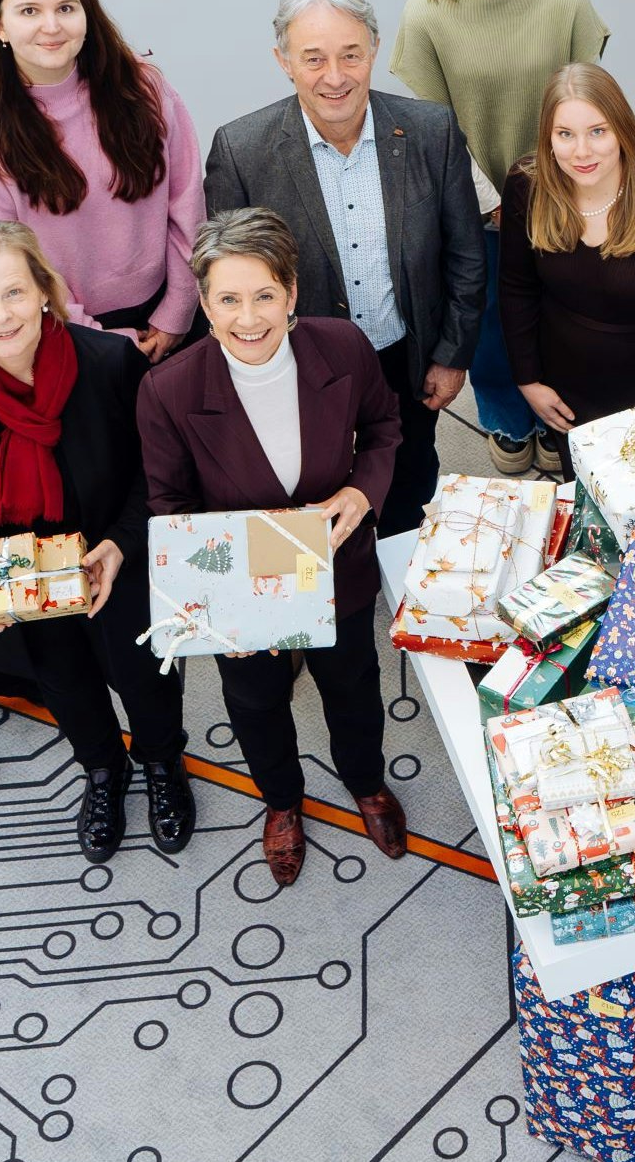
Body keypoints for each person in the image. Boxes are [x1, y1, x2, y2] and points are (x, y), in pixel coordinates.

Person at [137, 208, 408, 887]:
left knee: (353, 685)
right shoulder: (167, 391)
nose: (247, 317)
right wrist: (210, 608)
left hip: (334, 561)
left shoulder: (342, 347)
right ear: (202, 301)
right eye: (227, 298)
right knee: (255, 703)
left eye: (263, 295)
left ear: (291, 293)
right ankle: (282, 801)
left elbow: (383, 427)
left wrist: (363, 492)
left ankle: (366, 780)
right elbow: (169, 508)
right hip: (238, 591)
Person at [0, 223, 188, 863]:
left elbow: (159, 470)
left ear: (44, 291)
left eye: (13, 292)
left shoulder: (111, 363)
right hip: (20, 573)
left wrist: (119, 544)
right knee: (64, 682)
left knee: (146, 677)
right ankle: (102, 770)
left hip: (114, 557)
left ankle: (163, 762)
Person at [202, 0, 486, 534]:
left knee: (408, 480)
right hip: (298, 370)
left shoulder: (431, 131)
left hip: (406, 361)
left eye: (351, 55)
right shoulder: (241, 151)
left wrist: (452, 355)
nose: (335, 77)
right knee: (318, 499)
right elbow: (224, 281)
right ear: (283, 61)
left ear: (374, 49)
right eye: (313, 59)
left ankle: (401, 565)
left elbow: (466, 257)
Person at [390, 0, 610, 476]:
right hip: (476, 203)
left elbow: (589, 102)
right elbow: (433, 128)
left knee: (564, 314)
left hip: (564, 192)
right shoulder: (426, 13)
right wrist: (491, 200)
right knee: (486, 325)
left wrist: (571, 183)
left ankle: (553, 419)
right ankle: (509, 425)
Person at [0, 0, 205, 363]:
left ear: (87, 17)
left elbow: (187, 201)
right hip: (65, 331)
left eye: (66, 8)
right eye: (30, 11)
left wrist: (178, 309)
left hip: (175, 304)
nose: (51, 26)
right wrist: (101, 339)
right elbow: (8, 266)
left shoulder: (144, 89)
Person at [504, 63, 635, 430]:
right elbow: (516, 288)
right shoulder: (527, 185)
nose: (582, 152)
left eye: (597, 131)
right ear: (548, 137)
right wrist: (528, 379)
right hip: (563, 383)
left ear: (622, 129)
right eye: (565, 134)